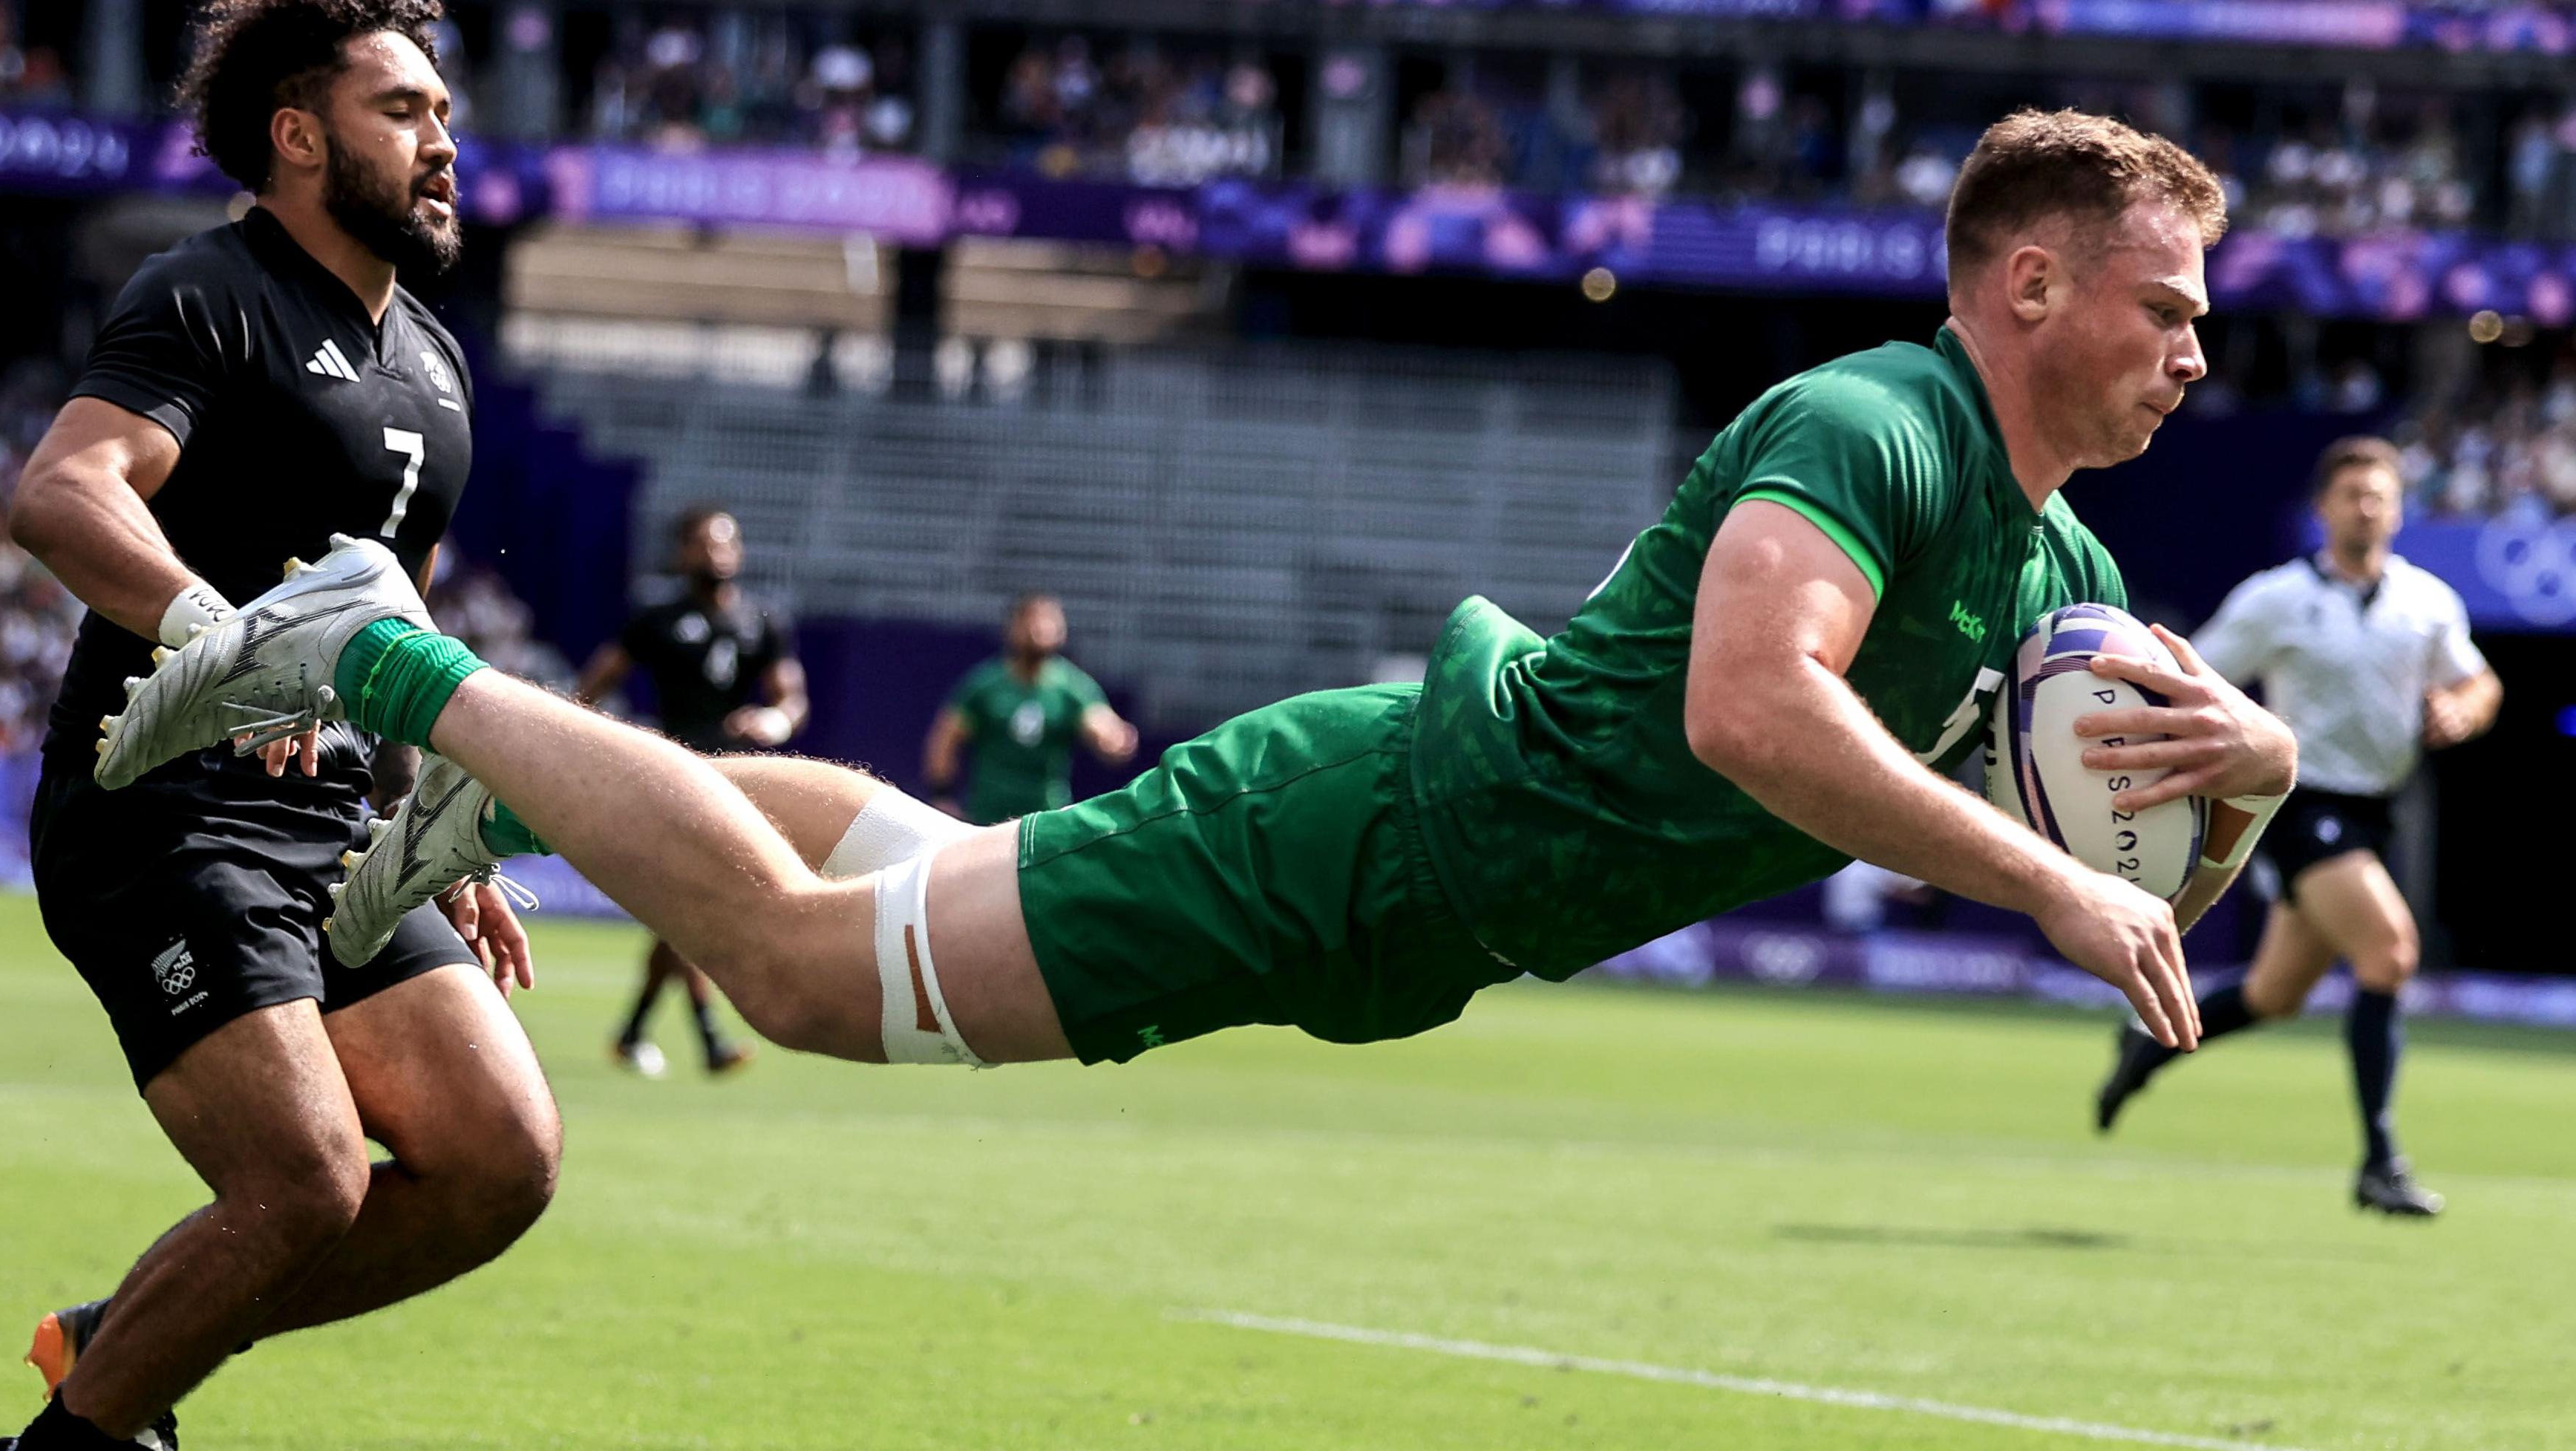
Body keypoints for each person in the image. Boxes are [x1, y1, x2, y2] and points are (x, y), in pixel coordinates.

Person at [116, 112, 2293, 1145]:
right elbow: (1749, 707)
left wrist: (2258, 773)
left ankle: (476, 822)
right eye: (2161, 302)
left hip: (1410, 908)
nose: (2194, 349)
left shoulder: (2058, 582)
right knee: (798, 979)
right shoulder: (1874, 422)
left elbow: (2160, 800)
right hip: (1369, 833)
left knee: (889, 860)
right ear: (2022, 285)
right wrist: (2028, 881)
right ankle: (379, 649)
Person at [1, 4, 559, 1450]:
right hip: (161, 807)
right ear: (299, 134)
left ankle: (118, 1342)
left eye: (442, 111)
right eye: (402, 110)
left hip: (330, 828)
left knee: (501, 1157)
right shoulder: (208, 292)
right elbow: (64, 490)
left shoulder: (432, 364)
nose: (441, 141)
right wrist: (221, 643)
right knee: (303, 1179)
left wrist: (449, 816)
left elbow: (406, 621)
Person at [2093, 435, 2500, 1216]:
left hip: (2375, 808)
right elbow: (2193, 674)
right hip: (2299, 802)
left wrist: (2463, 708)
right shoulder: (2275, 597)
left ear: (2397, 507)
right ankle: (2379, 1160)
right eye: (2350, 495)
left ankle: (2143, 1048)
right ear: (2321, 510)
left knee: (2273, 994)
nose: (2366, 507)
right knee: (2389, 952)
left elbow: (2478, 680)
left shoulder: (2425, 602)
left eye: (2379, 494)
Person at [574, 506, 806, 1076]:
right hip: (675, 780)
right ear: (682, 554)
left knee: (684, 911)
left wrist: (775, 721)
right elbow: (594, 687)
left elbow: (790, 698)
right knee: (693, 905)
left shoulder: (760, 622)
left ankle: (635, 1033)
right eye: (704, 544)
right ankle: (707, 1039)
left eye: (726, 543)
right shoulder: (658, 619)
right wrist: (587, 744)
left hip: (735, 781)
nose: (717, 553)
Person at [921, 593, 1137, 825]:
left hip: (1045, 819)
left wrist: (1115, 740)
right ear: (1013, 628)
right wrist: (941, 796)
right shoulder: (985, 685)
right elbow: (945, 740)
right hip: (988, 816)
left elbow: (1100, 724)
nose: (1040, 628)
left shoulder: (1073, 688)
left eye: (1049, 620)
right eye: (1032, 620)